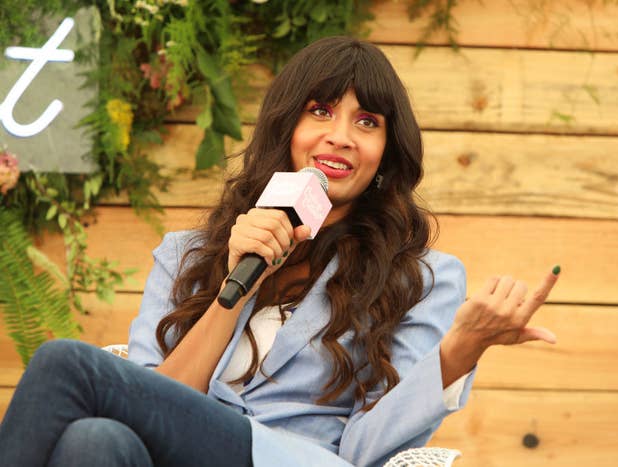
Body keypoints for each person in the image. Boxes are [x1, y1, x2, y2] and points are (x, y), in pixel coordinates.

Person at [0, 36, 559, 467]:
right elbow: (153, 404)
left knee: (63, 362)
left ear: (385, 154)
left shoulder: (422, 278)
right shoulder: (187, 254)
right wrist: (231, 289)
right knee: (94, 440)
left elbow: (364, 450)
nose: (340, 135)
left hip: (291, 459)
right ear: (285, 127)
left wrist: (458, 353)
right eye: (320, 111)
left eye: (366, 122)